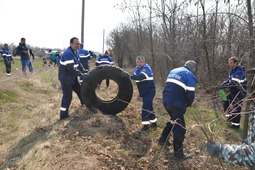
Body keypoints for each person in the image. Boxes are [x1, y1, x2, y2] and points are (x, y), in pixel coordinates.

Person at [158, 60, 197, 159]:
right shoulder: (190, 75)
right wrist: (188, 104)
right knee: (180, 127)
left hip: (166, 100)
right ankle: (178, 153)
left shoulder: (174, 70)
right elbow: (190, 95)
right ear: (193, 69)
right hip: (175, 103)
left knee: (173, 119)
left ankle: (163, 139)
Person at [58, 37, 87, 120]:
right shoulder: (68, 53)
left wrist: (84, 71)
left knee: (80, 90)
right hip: (66, 79)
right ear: (70, 44)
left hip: (72, 77)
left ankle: (84, 103)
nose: (77, 46)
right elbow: (71, 69)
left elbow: (78, 63)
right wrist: (81, 74)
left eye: (78, 44)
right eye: (75, 44)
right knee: (67, 97)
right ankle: (63, 115)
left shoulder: (76, 52)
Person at [127, 55, 158, 131]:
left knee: (145, 108)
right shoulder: (136, 69)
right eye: (138, 62)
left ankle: (145, 126)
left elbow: (140, 77)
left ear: (144, 62)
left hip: (150, 91)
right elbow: (135, 76)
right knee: (149, 107)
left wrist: (130, 76)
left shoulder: (146, 68)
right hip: (144, 92)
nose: (139, 63)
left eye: (141, 62)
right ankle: (154, 123)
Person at [217, 56, 247, 129]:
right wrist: (222, 84)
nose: (229, 64)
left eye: (231, 63)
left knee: (236, 107)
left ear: (236, 63)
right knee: (225, 101)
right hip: (233, 91)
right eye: (229, 63)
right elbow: (229, 80)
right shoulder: (231, 70)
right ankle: (229, 117)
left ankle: (236, 125)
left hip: (240, 92)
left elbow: (233, 83)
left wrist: (223, 87)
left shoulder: (239, 71)